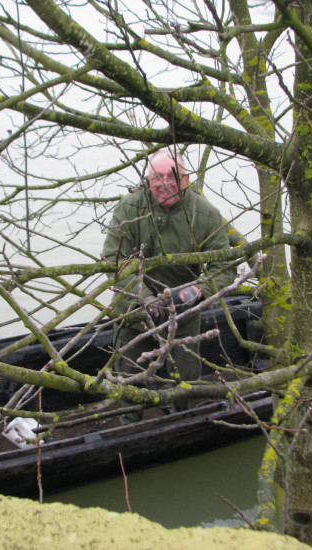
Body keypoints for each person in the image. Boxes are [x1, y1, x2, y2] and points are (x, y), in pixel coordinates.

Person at [102, 149, 237, 421]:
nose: (164, 183)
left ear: (185, 179)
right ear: (148, 180)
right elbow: (114, 261)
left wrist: (198, 290)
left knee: (187, 375)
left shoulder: (204, 213)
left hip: (183, 307)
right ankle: (130, 424)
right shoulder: (130, 208)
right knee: (128, 375)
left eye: (172, 177)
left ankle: (185, 421)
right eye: (157, 177)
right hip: (133, 307)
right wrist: (143, 299)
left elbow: (225, 265)